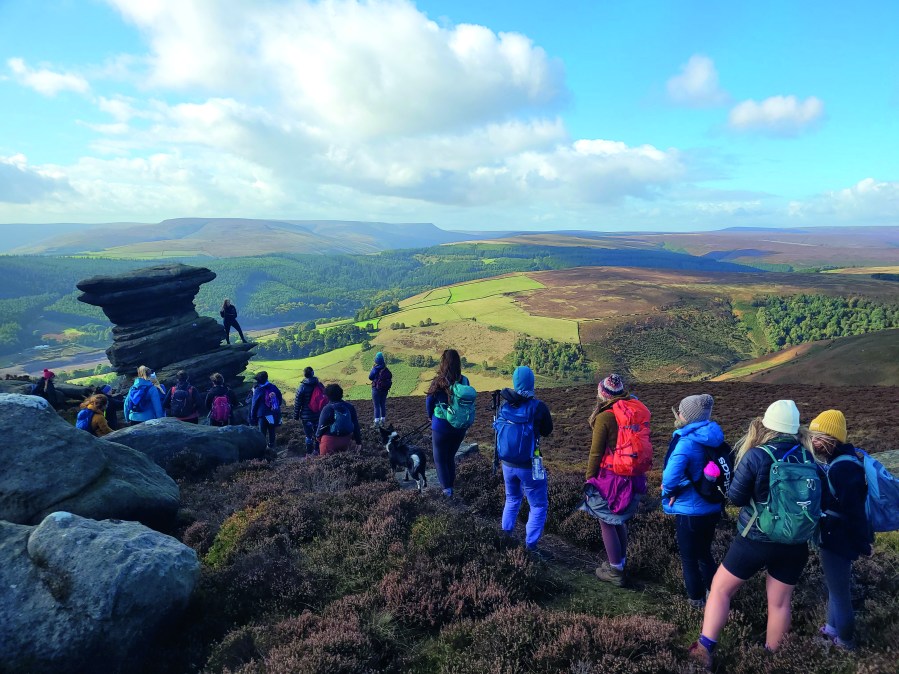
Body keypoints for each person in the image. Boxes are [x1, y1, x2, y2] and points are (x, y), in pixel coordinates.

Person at [689, 400, 811, 668]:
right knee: (779, 604)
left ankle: (705, 650)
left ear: (767, 425)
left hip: (755, 538)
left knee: (720, 590)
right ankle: (770, 661)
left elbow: (735, 497)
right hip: (796, 542)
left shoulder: (758, 455)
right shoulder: (807, 456)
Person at [808, 409, 872, 651]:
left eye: (816, 437)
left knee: (840, 592)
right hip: (838, 536)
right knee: (836, 587)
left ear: (830, 439)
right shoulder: (844, 462)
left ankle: (846, 643)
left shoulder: (842, 468)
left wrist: (863, 543)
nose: (812, 442)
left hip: (838, 538)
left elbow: (853, 511)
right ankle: (832, 629)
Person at [579, 374, 649, 587]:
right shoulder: (631, 410)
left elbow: (595, 452)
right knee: (618, 520)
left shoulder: (605, 417)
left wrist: (589, 479)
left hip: (610, 477)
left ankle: (615, 570)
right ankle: (620, 562)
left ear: (602, 393)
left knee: (606, 521)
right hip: (631, 475)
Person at [662, 394, 726, 607]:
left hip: (690, 511)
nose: (678, 414)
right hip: (713, 506)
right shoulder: (715, 436)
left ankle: (695, 601)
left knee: (689, 558)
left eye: (680, 411)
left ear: (686, 417)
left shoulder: (686, 443)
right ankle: (715, 597)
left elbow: (670, 478)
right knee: (705, 554)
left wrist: (669, 491)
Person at [495, 366, 554, 552]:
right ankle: (530, 546)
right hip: (529, 464)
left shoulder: (505, 406)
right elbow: (547, 430)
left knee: (512, 498)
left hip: (507, 464)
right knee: (538, 504)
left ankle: (506, 536)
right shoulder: (538, 407)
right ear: (532, 382)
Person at [425, 349, 470, 497]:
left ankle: (447, 491)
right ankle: (451, 486)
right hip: (459, 427)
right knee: (450, 457)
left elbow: (429, 401)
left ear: (443, 363)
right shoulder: (465, 380)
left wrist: (431, 416)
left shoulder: (438, 381)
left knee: (439, 459)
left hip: (441, 426)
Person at [315, 383, 362, 455]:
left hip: (329, 441)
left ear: (328, 396)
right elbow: (356, 425)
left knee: (325, 462)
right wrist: (358, 442)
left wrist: (318, 437)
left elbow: (321, 426)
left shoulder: (327, 408)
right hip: (347, 439)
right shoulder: (350, 407)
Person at [293, 367, 324, 455]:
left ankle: (309, 453)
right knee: (318, 434)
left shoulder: (302, 387)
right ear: (313, 373)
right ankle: (317, 451)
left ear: (304, 375)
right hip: (318, 414)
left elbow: (297, 403)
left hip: (306, 417)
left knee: (308, 436)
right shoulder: (319, 385)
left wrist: (296, 416)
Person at [250, 371, 283, 449]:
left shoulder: (258, 390)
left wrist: (252, 417)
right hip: (271, 414)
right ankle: (272, 447)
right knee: (271, 430)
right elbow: (280, 400)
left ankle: (263, 449)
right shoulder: (273, 387)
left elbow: (254, 405)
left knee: (262, 433)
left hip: (261, 415)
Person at [368, 351, 392, 427]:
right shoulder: (386, 369)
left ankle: (376, 423)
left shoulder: (375, 369)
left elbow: (370, 377)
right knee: (382, 404)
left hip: (376, 389)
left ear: (376, 360)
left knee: (376, 406)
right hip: (384, 390)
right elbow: (390, 376)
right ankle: (383, 421)